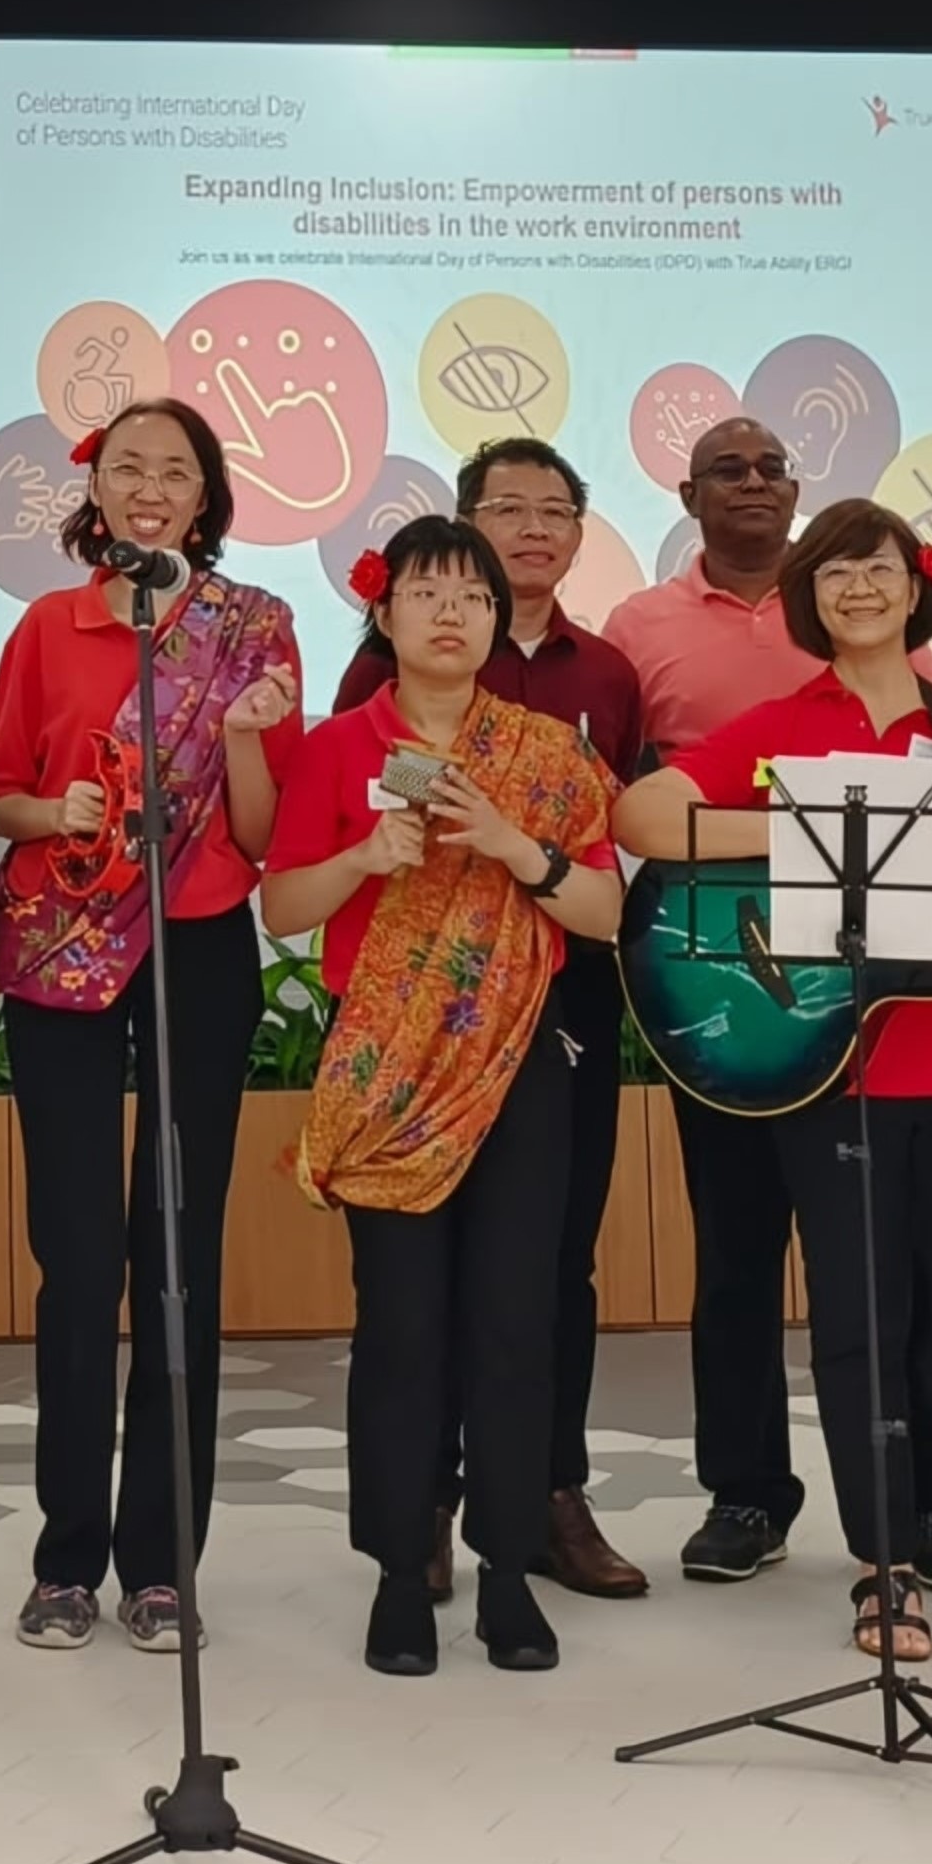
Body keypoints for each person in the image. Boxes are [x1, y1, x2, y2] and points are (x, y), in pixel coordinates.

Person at [619, 500, 932, 1672]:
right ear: (808, 596)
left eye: (876, 567)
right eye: (833, 570)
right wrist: (799, 826)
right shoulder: (778, 727)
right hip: (836, 1067)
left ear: (915, 587)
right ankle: (880, 1560)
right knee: (858, 1324)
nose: (857, 587)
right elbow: (639, 812)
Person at [262, 517, 626, 1675]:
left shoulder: (548, 755)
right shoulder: (332, 748)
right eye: (425, 592)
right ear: (384, 614)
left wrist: (518, 847)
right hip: (386, 1073)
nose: (452, 610)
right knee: (403, 1328)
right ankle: (396, 1573)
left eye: (469, 592)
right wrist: (365, 860)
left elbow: (607, 914)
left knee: (515, 1322)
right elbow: (281, 909)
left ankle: (510, 1571)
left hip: (518, 1072)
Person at [0, 400, 305, 1653]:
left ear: (208, 493)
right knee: (74, 1259)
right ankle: (64, 1558)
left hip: (199, 948)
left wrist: (238, 737)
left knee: (180, 1253)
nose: (151, 488)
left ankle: (161, 1565)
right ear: (96, 492)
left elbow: (270, 832)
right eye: (129, 468)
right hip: (59, 952)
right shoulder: (47, 627)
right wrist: (46, 808)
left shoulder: (253, 631)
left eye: (176, 470)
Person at [326, 437, 654, 1603]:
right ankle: (418, 1511)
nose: (526, 529)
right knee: (412, 1294)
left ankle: (542, 1498)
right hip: (414, 1021)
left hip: (557, 1004)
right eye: (500, 510)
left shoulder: (608, 676)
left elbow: (620, 859)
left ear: (576, 530)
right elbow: (325, 857)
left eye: (550, 509)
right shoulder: (377, 686)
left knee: (546, 1270)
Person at [601, 414, 858, 1587]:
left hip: (858, 970)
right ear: (686, 492)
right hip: (714, 972)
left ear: (795, 487)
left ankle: (897, 1502)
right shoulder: (637, 628)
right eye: (727, 470)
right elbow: (615, 797)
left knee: (866, 1249)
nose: (753, 483)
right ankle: (745, 1494)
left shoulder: (859, 609)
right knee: (737, 1250)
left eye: (770, 467)